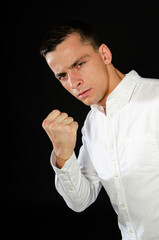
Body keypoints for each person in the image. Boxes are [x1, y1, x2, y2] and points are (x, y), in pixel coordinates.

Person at [40, 21, 159, 239]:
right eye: (62, 76)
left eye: (79, 64)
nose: (73, 82)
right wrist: (63, 153)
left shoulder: (156, 100)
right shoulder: (92, 125)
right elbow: (80, 201)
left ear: (104, 54)